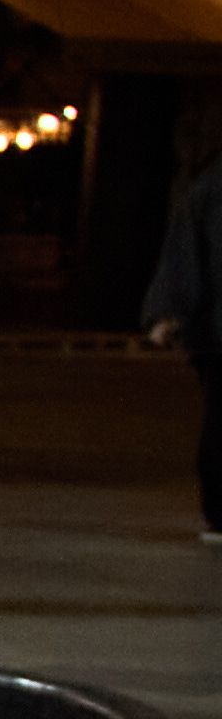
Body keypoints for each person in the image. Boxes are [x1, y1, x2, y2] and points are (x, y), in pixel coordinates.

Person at [146, 137, 222, 542]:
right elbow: (189, 251)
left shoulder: (208, 184)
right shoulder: (211, 187)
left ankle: (219, 511)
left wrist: (169, 311)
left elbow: (186, 252)